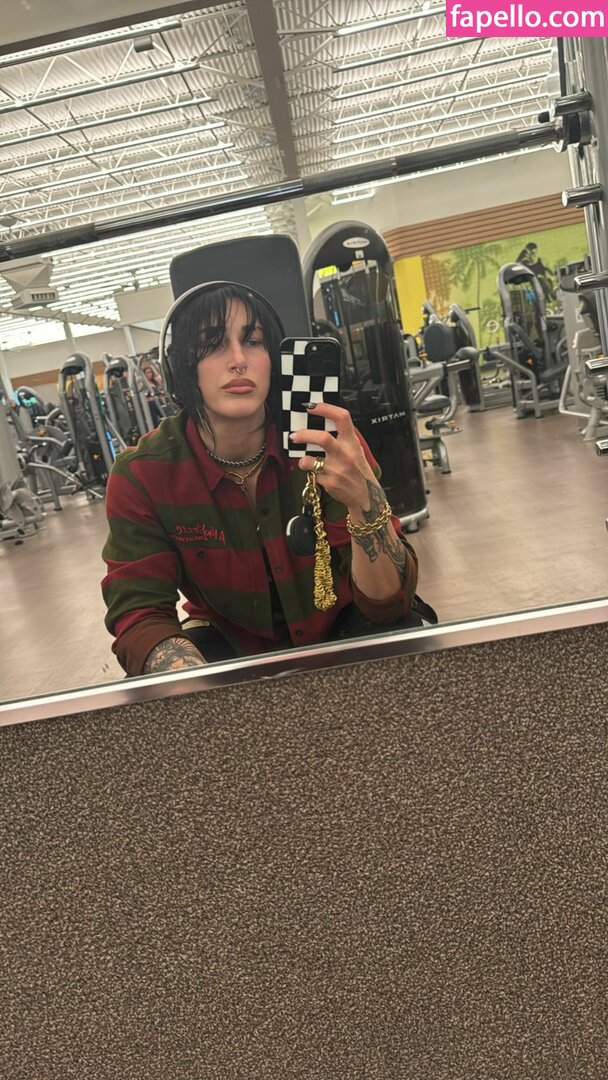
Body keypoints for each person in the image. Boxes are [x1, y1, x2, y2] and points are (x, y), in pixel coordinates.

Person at [101, 282, 422, 677]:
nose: (238, 360)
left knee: (406, 641)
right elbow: (140, 612)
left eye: (253, 342)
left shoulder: (330, 444)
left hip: (345, 622)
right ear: (183, 366)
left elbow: (387, 604)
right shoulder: (143, 475)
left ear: (273, 359)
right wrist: (206, 693)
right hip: (229, 643)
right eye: (212, 344)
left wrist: (363, 504)